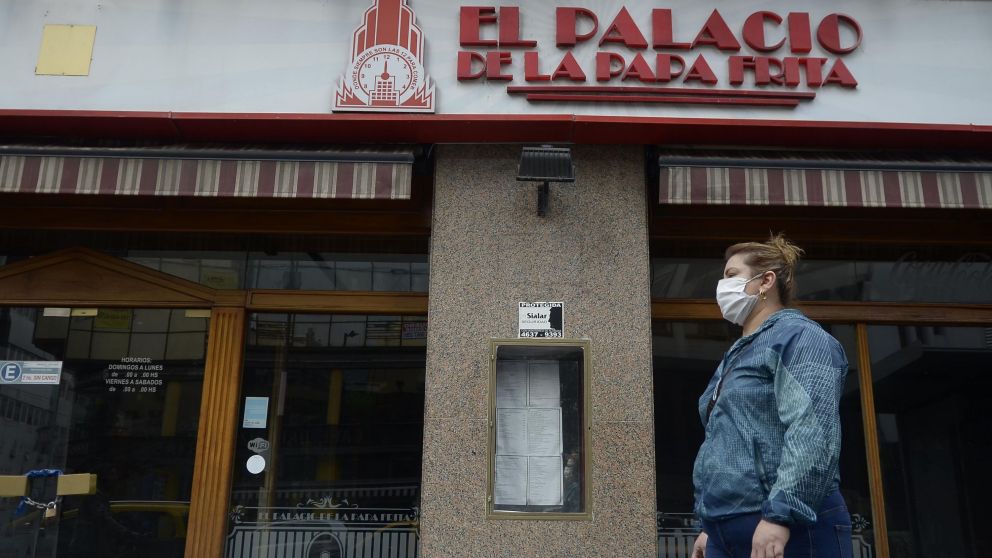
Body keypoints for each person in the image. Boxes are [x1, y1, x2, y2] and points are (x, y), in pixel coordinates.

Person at [691, 234, 853, 558]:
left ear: (766, 281)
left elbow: (813, 432)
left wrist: (781, 514)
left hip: (790, 528)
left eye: (731, 276)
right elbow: (723, 442)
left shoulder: (800, 337)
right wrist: (710, 527)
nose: (722, 287)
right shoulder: (738, 354)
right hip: (728, 532)